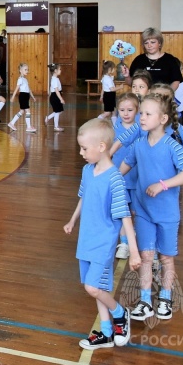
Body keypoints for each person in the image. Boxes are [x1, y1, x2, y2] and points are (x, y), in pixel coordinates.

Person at [63, 119, 140, 350]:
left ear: (102, 147)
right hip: (85, 239)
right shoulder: (88, 171)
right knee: (96, 286)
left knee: (93, 287)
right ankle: (106, 332)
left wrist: (134, 252)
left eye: (84, 148)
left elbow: (125, 216)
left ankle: (119, 313)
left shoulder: (115, 179)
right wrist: (72, 219)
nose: (81, 153)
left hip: (103, 243)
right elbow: (84, 197)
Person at [120, 93, 183, 322]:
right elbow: (124, 166)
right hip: (144, 212)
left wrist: (163, 185)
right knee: (146, 256)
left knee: (166, 258)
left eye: (147, 114)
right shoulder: (139, 144)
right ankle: (144, 300)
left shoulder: (172, 146)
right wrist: (106, 182)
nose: (142, 117)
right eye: (140, 113)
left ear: (163, 119)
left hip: (167, 214)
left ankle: (165, 297)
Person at [111, 92, 140, 259]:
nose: (126, 113)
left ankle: (133, 236)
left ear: (137, 110)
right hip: (119, 177)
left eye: (130, 109)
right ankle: (123, 242)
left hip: (136, 178)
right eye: (122, 110)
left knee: (135, 211)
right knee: (123, 211)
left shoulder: (141, 128)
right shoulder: (114, 128)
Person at [8, 62, 36, 133]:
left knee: (22, 111)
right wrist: (13, 97)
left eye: (27, 70)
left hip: (26, 96)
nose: (27, 71)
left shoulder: (25, 80)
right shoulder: (20, 79)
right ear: (20, 70)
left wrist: (33, 97)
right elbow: (17, 89)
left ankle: (12, 123)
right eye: (25, 70)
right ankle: (28, 127)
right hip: (23, 96)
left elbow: (29, 89)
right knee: (27, 111)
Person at [44, 63, 65, 131]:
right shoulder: (54, 80)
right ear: (55, 71)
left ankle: (48, 118)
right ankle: (56, 126)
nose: (61, 70)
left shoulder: (56, 79)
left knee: (59, 111)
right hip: (55, 97)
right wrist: (61, 99)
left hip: (56, 96)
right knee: (57, 112)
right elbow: (56, 91)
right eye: (60, 69)